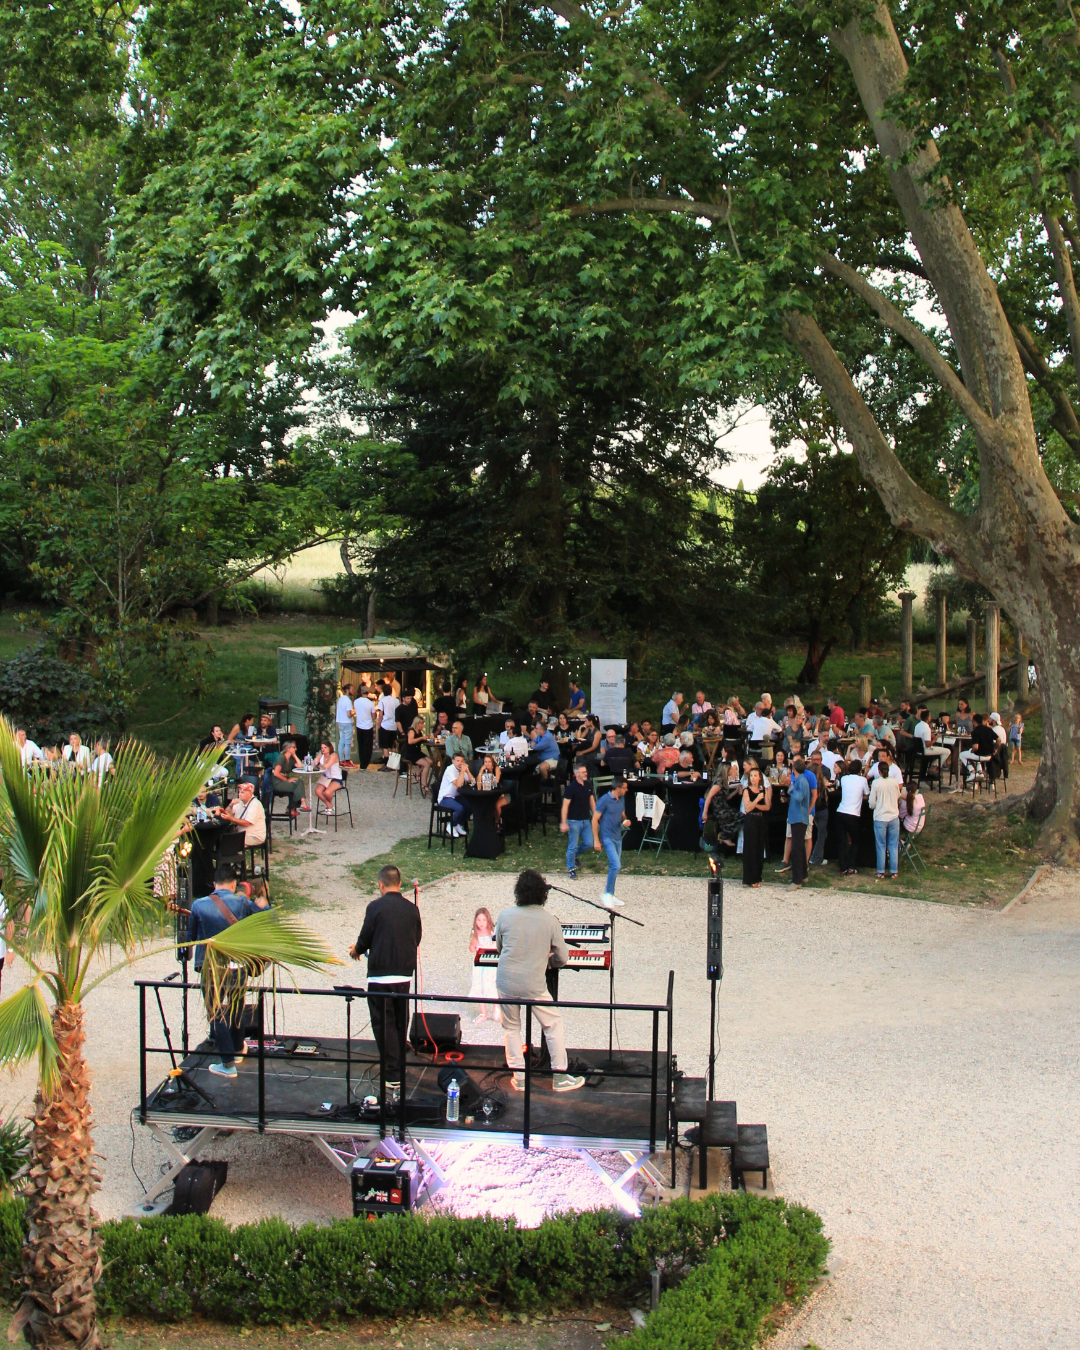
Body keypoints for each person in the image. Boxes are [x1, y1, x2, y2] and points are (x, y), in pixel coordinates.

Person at [495, 870, 584, 1092]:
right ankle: (560, 1076)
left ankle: (519, 1077)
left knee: (511, 1027)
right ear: (542, 894)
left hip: (506, 980)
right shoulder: (550, 921)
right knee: (552, 1023)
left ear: (518, 892)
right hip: (533, 984)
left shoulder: (504, 916)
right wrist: (549, 962)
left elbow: (500, 948)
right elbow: (562, 957)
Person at [188, 862, 269, 1078]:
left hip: (211, 968)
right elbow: (266, 918)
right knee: (236, 1008)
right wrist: (264, 903)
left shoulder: (198, 905)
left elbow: (190, 939)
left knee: (215, 1012)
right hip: (238, 965)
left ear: (215, 884)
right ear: (233, 885)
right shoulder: (242, 902)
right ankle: (238, 1048)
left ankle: (227, 1063)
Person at [350, 864, 422, 1105]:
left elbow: (365, 937)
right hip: (403, 976)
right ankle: (397, 1067)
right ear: (399, 884)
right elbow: (417, 937)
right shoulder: (412, 909)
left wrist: (357, 949)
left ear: (380, 885)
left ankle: (392, 1075)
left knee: (384, 1025)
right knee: (400, 1022)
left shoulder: (375, 907)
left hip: (380, 976)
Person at [592, 775, 630, 907]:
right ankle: (607, 894)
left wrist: (625, 820)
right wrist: (596, 840)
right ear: (618, 788)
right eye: (624, 788)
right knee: (616, 865)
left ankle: (611, 894)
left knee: (615, 866)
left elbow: (622, 814)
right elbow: (594, 819)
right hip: (607, 837)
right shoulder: (604, 800)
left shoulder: (621, 799)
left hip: (617, 836)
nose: (626, 790)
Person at [560, 761, 595, 879]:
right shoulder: (571, 788)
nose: (586, 774)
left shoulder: (588, 785)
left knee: (589, 843)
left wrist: (595, 815)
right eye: (583, 772)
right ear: (576, 774)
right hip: (574, 821)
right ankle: (571, 869)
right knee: (572, 845)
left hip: (586, 820)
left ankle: (573, 855)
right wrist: (564, 822)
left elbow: (591, 801)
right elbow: (565, 806)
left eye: (586, 771)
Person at [868, 759, 902, 880]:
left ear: (879, 771)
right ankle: (894, 871)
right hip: (893, 816)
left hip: (880, 817)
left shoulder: (876, 783)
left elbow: (872, 803)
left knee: (881, 845)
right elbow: (898, 796)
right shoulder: (894, 782)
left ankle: (881, 871)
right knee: (893, 845)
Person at [836, 760, 869, 876]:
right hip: (853, 814)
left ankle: (842, 867)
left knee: (841, 841)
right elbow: (866, 795)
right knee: (855, 841)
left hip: (841, 811)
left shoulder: (844, 778)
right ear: (860, 770)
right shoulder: (863, 780)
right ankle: (851, 866)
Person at [468, 907, 500, 1023]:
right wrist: (474, 942)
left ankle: (496, 1009)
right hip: (480, 964)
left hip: (491, 962)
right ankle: (483, 1013)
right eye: (479, 920)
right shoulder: (475, 934)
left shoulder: (493, 931)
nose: (481, 923)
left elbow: (498, 945)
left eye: (484, 920)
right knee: (479, 985)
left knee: (492, 984)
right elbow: (472, 949)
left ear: (488, 920)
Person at [741, 766, 771, 887]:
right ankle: (750, 877)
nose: (753, 778)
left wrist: (756, 805)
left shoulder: (763, 790)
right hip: (751, 820)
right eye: (751, 776)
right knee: (751, 848)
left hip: (761, 819)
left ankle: (758, 875)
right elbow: (747, 808)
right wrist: (757, 800)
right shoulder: (746, 791)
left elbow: (767, 807)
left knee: (759, 847)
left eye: (755, 776)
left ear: (759, 778)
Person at [216, 778, 267, 846]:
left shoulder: (255, 804)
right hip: (240, 833)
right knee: (219, 836)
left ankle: (232, 853)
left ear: (250, 793)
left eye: (242, 792)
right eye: (239, 792)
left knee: (228, 841)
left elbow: (246, 823)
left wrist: (231, 819)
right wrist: (230, 805)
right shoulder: (239, 802)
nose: (240, 794)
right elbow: (228, 813)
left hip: (254, 836)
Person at [786, 759, 811, 887]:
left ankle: (796, 880)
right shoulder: (800, 780)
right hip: (796, 817)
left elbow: (799, 797)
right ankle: (803, 875)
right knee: (800, 848)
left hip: (799, 818)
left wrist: (790, 788)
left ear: (794, 769)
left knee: (796, 849)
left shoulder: (801, 781)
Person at [438, 752, 474, 837]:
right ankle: (451, 825)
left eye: (461, 761)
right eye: (458, 761)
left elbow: (472, 781)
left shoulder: (461, 770)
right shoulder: (450, 770)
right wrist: (462, 772)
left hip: (456, 796)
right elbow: (458, 784)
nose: (460, 763)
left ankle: (458, 824)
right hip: (445, 798)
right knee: (460, 808)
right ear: (453, 761)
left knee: (471, 806)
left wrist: (467, 771)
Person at [959, 712, 1000, 786]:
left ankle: (972, 771)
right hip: (989, 756)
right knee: (974, 756)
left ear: (974, 721)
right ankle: (980, 772)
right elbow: (999, 740)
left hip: (979, 755)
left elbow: (975, 747)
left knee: (962, 755)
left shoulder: (975, 732)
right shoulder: (989, 729)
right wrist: (996, 749)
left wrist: (972, 751)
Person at [270, 739, 309, 815]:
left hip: (284, 780)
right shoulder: (281, 758)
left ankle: (295, 805)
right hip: (278, 782)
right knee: (297, 786)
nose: (295, 749)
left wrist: (294, 755)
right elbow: (276, 773)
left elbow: (300, 766)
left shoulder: (291, 759)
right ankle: (295, 805)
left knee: (299, 782)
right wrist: (286, 780)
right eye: (293, 747)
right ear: (288, 748)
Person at [808, 748, 832, 866]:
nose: (816, 761)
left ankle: (815, 856)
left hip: (814, 808)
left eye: (817, 759)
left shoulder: (824, 771)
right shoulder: (819, 781)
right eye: (814, 759)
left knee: (821, 833)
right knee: (821, 834)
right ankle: (815, 858)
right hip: (820, 809)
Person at [310, 741, 342, 814]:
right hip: (326, 777)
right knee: (318, 791)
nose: (323, 749)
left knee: (327, 792)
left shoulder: (334, 755)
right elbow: (315, 762)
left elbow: (327, 766)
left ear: (329, 747)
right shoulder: (321, 755)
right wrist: (315, 762)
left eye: (325, 747)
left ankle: (329, 806)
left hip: (335, 778)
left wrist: (320, 765)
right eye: (322, 748)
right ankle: (329, 805)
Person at [404, 717, 434, 790]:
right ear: (416, 724)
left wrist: (427, 738)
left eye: (423, 723)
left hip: (417, 752)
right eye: (421, 723)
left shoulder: (419, 732)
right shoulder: (412, 731)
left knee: (431, 761)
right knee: (426, 764)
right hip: (410, 753)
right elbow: (410, 741)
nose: (422, 725)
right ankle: (424, 784)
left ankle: (417, 773)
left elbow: (421, 741)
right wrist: (421, 738)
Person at [376, 682, 400, 770]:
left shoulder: (382, 701)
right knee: (393, 745)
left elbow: (381, 714)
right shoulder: (396, 701)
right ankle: (393, 764)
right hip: (394, 726)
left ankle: (387, 764)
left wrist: (379, 724)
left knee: (385, 746)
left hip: (385, 725)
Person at [353, 688, 376, 770]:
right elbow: (374, 717)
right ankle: (365, 763)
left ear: (361, 692)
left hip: (359, 726)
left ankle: (361, 762)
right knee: (368, 746)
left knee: (361, 745)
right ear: (368, 693)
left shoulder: (356, 702)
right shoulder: (370, 703)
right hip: (368, 726)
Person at [335, 683, 356, 764]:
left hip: (340, 722)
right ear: (347, 690)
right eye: (352, 689)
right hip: (347, 722)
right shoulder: (348, 701)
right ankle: (347, 760)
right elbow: (349, 714)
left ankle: (341, 759)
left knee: (341, 741)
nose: (353, 691)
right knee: (347, 743)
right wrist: (354, 712)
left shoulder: (340, 699)